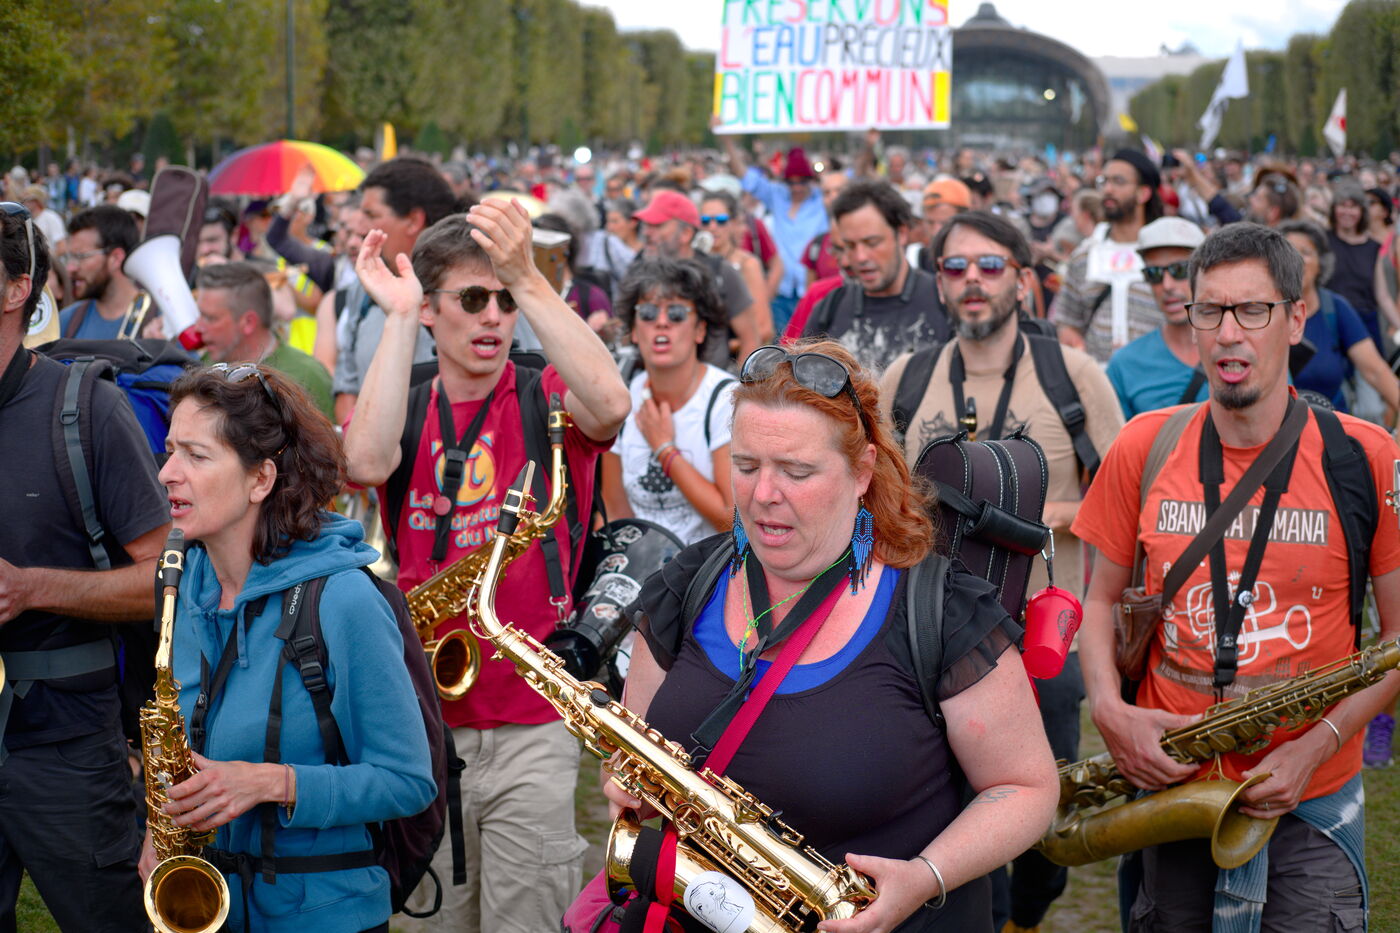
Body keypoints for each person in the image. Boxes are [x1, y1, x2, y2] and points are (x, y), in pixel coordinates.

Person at [606, 339, 1059, 932]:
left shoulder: (941, 610)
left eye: (796, 471)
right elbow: (633, 748)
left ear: (862, 471)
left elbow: (1026, 786)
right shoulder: (685, 584)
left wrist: (924, 876)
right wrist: (625, 787)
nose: (763, 494)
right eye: (746, 466)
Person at [1072, 222, 1400, 931]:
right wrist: (1109, 709)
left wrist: (1315, 745)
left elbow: (1397, 643)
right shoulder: (1142, 445)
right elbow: (1098, 602)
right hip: (1174, 784)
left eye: (1253, 310)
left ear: (1296, 319)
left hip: (1313, 793)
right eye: (1210, 310)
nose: (1228, 333)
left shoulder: (1365, 457)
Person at [343, 199, 631, 933]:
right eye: (472, 299)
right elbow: (365, 461)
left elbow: (610, 402)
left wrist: (528, 276)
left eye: (505, 301)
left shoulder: (543, 393)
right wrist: (399, 316)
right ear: (432, 309)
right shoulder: (407, 402)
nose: (494, 316)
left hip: (533, 718)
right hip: (422, 723)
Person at [878, 213, 1122, 933]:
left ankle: (1027, 916)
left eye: (989, 266)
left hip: (1044, 637)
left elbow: (1122, 497)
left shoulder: (1073, 375)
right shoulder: (908, 376)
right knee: (941, 803)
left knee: (1045, 803)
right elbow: (875, 492)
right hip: (929, 636)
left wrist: (1027, 515)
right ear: (939, 282)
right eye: (955, 267)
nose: (972, 281)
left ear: (1022, 279)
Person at [145, 365, 435, 932]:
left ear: (261, 479)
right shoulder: (184, 583)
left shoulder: (345, 600)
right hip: (213, 904)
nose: (166, 473)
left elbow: (408, 781)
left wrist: (274, 783)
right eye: (170, 451)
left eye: (196, 456)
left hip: (325, 913)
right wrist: (158, 832)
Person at [0, 201, 169, 930]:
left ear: (18, 289)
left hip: (66, 744)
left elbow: (168, 577)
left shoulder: (87, 409)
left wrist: (30, 588)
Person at [600, 257, 736, 545]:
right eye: (648, 313)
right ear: (633, 331)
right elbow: (615, 512)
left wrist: (665, 450)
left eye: (676, 313)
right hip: (641, 565)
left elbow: (732, 519)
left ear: (700, 330)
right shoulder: (622, 398)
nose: (661, 322)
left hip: (707, 565)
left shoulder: (726, 401)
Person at [334, 158, 456, 423]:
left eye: (371, 215)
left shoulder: (475, 294)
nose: (359, 227)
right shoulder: (362, 292)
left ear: (413, 221)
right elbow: (347, 386)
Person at [802, 180, 951, 372]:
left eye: (872, 243)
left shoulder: (944, 302)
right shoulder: (831, 308)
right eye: (850, 246)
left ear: (902, 233)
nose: (860, 257)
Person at [1050, 150, 1165, 364]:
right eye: (1104, 181)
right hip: (1096, 377)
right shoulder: (1084, 255)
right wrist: (1072, 342)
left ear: (1143, 193)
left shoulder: (1166, 255)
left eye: (1119, 182)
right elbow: (1067, 320)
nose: (1108, 189)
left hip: (1156, 375)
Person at [1278, 220, 1399, 415]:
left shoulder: (1335, 308)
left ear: (1321, 262)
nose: (1297, 260)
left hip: (1332, 427)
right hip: (1278, 429)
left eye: (1306, 252)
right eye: (1289, 252)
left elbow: (1375, 370)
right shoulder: (1263, 310)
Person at [635, 189, 765, 366]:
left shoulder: (720, 273)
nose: (647, 233)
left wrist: (736, 382)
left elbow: (751, 338)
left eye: (657, 226)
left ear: (686, 234)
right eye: (646, 225)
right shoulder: (640, 271)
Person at [195, 261, 334, 418]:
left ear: (248, 322)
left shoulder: (305, 376)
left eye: (210, 318)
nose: (198, 327)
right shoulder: (205, 368)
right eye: (200, 315)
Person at [1106, 217, 1212, 419]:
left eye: (1180, 270)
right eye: (1153, 273)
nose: (1167, 285)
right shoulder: (1125, 364)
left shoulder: (1239, 345)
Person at [721, 137, 828, 331]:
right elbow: (745, 176)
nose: (796, 187)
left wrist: (870, 145)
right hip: (781, 292)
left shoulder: (822, 200)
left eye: (802, 181)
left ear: (811, 180)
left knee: (812, 343)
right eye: (791, 182)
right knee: (781, 345)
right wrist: (726, 139)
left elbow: (858, 178)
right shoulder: (777, 195)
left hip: (813, 289)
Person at [698, 190, 774, 348]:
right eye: (705, 220)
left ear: (733, 223)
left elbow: (764, 328)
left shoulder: (747, 264)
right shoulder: (694, 263)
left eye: (721, 220)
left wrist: (723, 347)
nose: (712, 227)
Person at [57, 205, 141, 340]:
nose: (70, 268)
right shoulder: (69, 320)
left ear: (116, 258)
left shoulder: (157, 322)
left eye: (81, 256)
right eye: (70, 257)